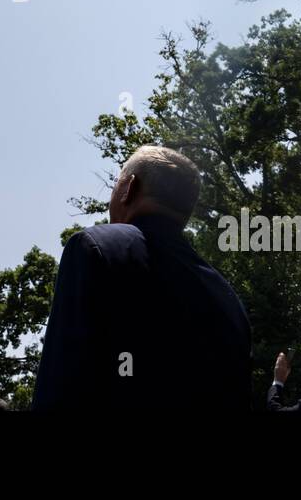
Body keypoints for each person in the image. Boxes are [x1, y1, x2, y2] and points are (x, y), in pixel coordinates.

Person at [32, 145, 250, 410]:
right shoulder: (228, 300)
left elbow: (60, 386)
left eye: (116, 182)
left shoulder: (94, 248)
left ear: (128, 188)